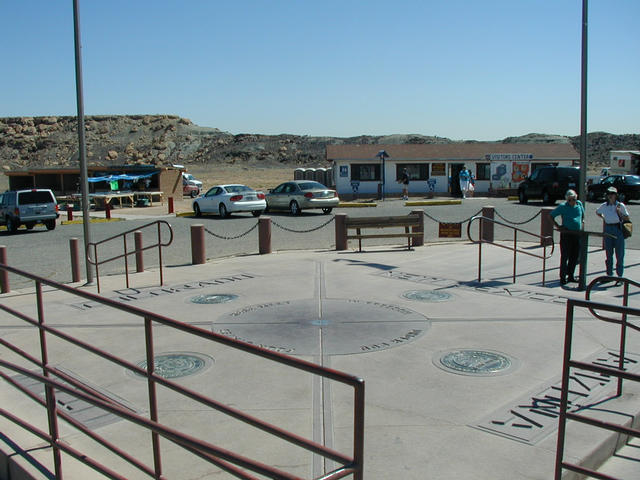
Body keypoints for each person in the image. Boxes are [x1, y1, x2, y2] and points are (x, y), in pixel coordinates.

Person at [596, 186, 630, 281]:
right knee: (609, 253)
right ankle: (609, 274)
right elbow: (597, 212)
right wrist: (604, 218)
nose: (610, 196)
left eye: (612, 194)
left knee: (619, 254)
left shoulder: (620, 205)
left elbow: (627, 218)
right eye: (609, 194)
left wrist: (620, 213)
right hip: (608, 228)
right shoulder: (604, 205)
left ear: (616, 195)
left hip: (617, 228)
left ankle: (619, 276)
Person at [551, 189, 584, 285]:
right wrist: (558, 226)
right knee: (565, 256)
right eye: (569, 200)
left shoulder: (579, 205)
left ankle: (571, 275)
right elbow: (551, 216)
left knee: (574, 256)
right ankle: (562, 277)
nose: (571, 202)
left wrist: (582, 224)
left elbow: (582, 216)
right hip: (566, 234)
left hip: (577, 234)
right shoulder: (563, 206)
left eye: (573, 199)